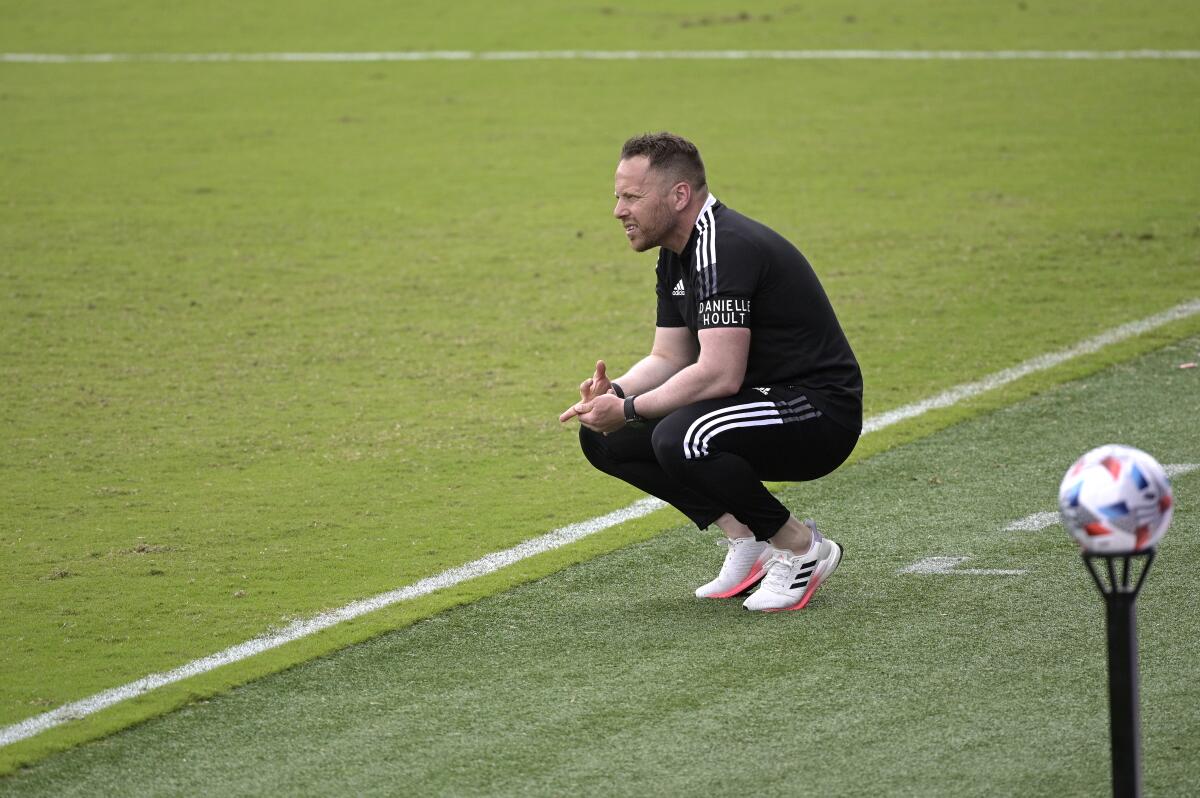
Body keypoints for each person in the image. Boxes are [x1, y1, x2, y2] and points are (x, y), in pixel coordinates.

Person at [559, 132, 863, 612]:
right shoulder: (677, 253)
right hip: (758, 398)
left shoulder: (725, 247)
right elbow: (669, 358)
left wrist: (631, 408)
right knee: (604, 437)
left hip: (817, 410)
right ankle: (748, 538)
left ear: (679, 195)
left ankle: (802, 547)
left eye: (631, 197)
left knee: (683, 436)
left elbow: (718, 375)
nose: (618, 210)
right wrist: (612, 395)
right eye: (618, 196)